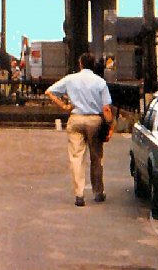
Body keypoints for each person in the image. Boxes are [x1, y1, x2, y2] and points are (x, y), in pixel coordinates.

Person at [45, 52, 114, 207]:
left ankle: (79, 195)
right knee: (96, 157)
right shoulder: (100, 82)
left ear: (81, 64)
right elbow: (106, 108)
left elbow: (49, 91)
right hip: (95, 121)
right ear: (93, 65)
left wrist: (64, 106)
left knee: (77, 157)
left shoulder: (70, 79)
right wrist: (110, 126)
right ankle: (98, 192)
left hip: (75, 119)